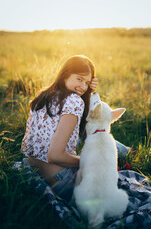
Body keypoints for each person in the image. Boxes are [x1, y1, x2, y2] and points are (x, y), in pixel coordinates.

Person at [21, 55, 98, 200]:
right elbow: (55, 155)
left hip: (31, 169)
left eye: (87, 83)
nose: (83, 87)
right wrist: (88, 161)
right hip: (61, 180)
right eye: (79, 79)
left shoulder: (42, 95)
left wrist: (88, 93)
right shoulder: (74, 101)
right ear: (65, 75)